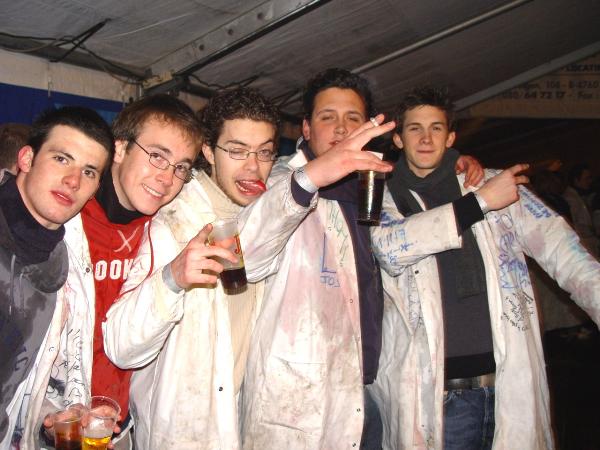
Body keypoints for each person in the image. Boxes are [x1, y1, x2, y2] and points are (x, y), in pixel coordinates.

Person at [103, 81, 394, 448]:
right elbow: (122, 347)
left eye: (265, 152)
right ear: (208, 151)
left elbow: (254, 243)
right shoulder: (173, 223)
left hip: (241, 423)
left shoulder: (270, 214)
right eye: (237, 151)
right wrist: (173, 278)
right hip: (180, 432)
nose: (253, 167)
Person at [237, 69, 486, 449]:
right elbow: (247, 255)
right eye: (327, 117)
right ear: (306, 128)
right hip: (299, 401)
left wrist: (455, 162)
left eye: (352, 118)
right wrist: (312, 177)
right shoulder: (279, 182)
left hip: (367, 390)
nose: (341, 128)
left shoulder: (373, 185)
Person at [370, 86, 600, 450]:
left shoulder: (494, 185)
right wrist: (479, 203)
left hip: (507, 387)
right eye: (415, 128)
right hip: (436, 398)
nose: (426, 138)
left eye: (436, 128)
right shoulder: (380, 198)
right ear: (398, 139)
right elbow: (390, 248)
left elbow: (564, 253)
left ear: (451, 137)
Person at [42, 94, 203, 450]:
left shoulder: (168, 231)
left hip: (118, 424)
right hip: (53, 422)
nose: (167, 178)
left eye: (181, 167)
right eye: (157, 156)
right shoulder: (65, 216)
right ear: (119, 149)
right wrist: (50, 413)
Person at [0, 107, 114, 449]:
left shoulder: (65, 265)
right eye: (62, 159)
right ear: (26, 159)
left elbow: (23, 378)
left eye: (89, 171)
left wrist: (50, 421)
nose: (73, 180)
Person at [563, 163, 599, 255]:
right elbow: (577, 227)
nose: (590, 181)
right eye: (587, 178)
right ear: (576, 180)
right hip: (584, 246)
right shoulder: (570, 200)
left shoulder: (583, 196)